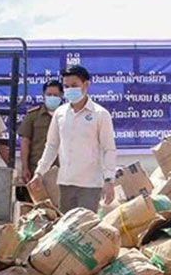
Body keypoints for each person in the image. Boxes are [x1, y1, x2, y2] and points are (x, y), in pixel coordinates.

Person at [31, 64, 118, 211]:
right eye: (66, 86)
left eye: (74, 85)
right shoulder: (60, 113)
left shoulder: (100, 114)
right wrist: (39, 173)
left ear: (86, 84)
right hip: (65, 183)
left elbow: (108, 149)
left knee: (86, 229)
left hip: (90, 185)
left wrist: (109, 180)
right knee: (67, 230)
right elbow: (51, 146)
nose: (70, 90)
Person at [18, 80, 63, 184]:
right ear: (43, 95)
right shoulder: (33, 115)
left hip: (62, 170)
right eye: (49, 94)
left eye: (55, 95)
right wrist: (25, 168)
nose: (52, 97)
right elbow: (25, 142)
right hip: (37, 169)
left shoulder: (68, 116)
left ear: (61, 95)